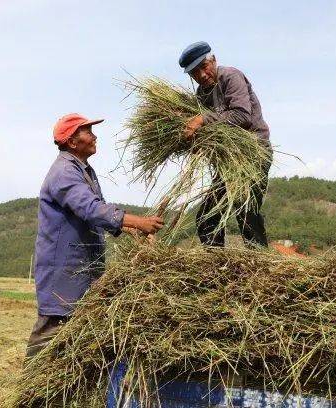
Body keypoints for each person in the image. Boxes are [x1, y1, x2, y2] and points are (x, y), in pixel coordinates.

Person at [25, 113, 164, 359]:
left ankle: (59, 394)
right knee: (50, 336)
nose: (94, 136)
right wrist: (139, 222)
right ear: (72, 142)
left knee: (74, 340)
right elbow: (91, 208)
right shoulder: (64, 172)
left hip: (82, 269)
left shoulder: (84, 170)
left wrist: (129, 229)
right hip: (64, 271)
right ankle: (28, 395)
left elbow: (97, 209)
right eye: (88, 132)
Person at [178, 41, 272, 248]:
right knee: (206, 218)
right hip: (228, 161)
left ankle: (260, 264)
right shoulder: (201, 95)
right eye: (194, 73)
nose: (201, 75)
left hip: (254, 153)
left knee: (245, 210)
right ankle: (218, 270)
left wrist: (203, 120)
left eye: (204, 66)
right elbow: (211, 133)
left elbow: (241, 115)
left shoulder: (230, 76)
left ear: (214, 60)